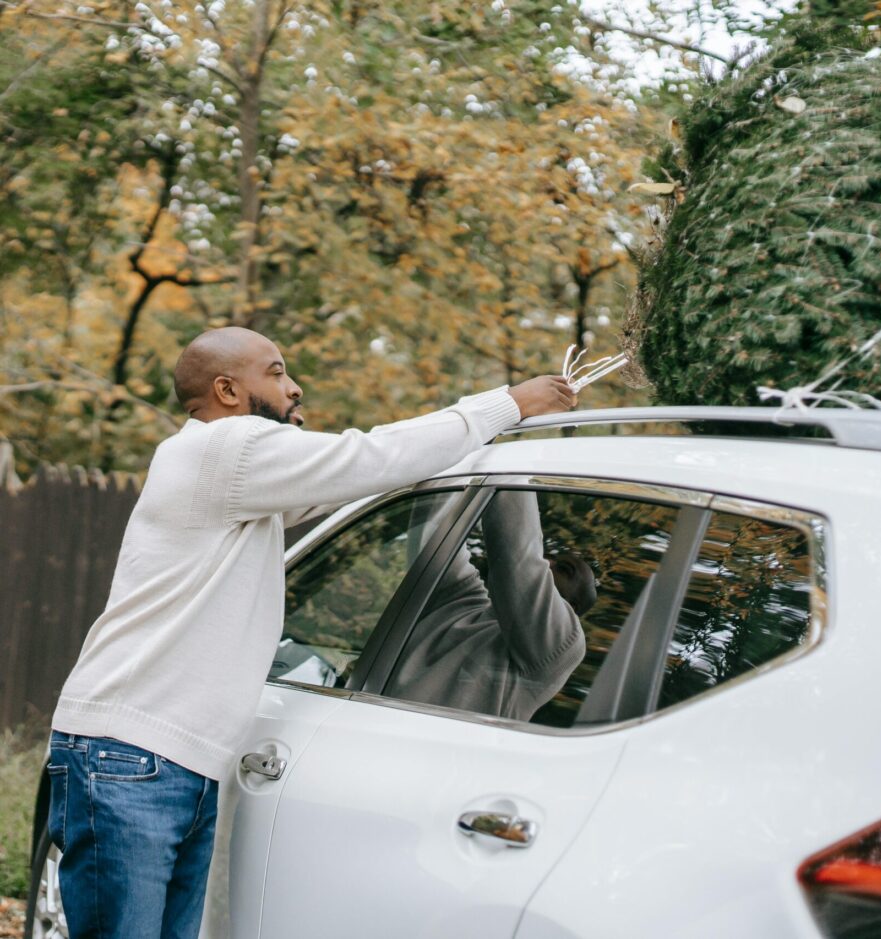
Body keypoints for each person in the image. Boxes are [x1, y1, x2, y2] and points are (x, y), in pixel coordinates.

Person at [46, 326, 577, 939]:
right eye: (275, 372)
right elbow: (370, 456)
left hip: (157, 761)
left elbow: (369, 476)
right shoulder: (228, 448)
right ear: (226, 390)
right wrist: (507, 404)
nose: (294, 387)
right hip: (130, 758)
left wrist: (482, 438)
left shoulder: (229, 475)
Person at [388, 489, 596, 721]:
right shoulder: (461, 603)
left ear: (573, 610)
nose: (548, 564)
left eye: (565, 570)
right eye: (552, 559)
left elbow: (519, 556)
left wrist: (511, 457)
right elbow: (433, 533)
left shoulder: (563, 646)